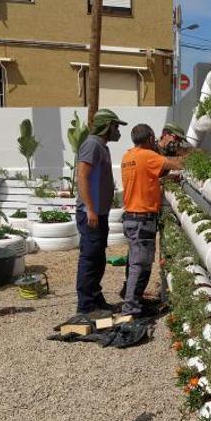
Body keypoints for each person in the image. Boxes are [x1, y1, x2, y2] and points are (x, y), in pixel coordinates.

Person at [119, 124, 186, 318]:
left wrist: (161, 181)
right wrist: (191, 154)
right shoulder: (147, 156)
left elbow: (144, 179)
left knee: (134, 263)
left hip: (131, 216)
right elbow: (177, 164)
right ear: (150, 138)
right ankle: (131, 308)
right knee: (140, 266)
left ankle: (133, 300)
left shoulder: (128, 156)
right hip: (142, 219)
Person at [75, 109, 127, 314]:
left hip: (100, 212)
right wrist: (90, 209)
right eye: (116, 126)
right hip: (91, 214)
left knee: (98, 258)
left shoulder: (101, 146)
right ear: (106, 126)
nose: (118, 131)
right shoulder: (92, 145)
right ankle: (86, 307)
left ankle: (96, 299)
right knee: (89, 259)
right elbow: (83, 177)